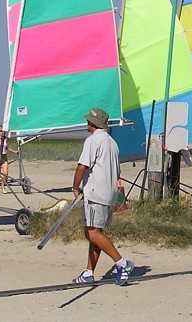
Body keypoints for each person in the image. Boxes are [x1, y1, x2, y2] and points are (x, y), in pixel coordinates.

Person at [72, 108, 133, 285]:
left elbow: (82, 166)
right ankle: (89, 272)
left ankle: (122, 263)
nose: (87, 123)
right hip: (109, 194)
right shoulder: (112, 142)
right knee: (95, 233)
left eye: (89, 120)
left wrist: (75, 187)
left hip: (96, 193)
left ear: (92, 123)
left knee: (92, 233)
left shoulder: (93, 140)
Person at [0, 125, 17, 194]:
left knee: (5, 173)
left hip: (4, 156)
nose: (1, 132)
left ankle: (2, 186)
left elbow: (7, 148)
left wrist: (15, 152)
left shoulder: (5, 139)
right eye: (0, 130)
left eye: (2, 130)